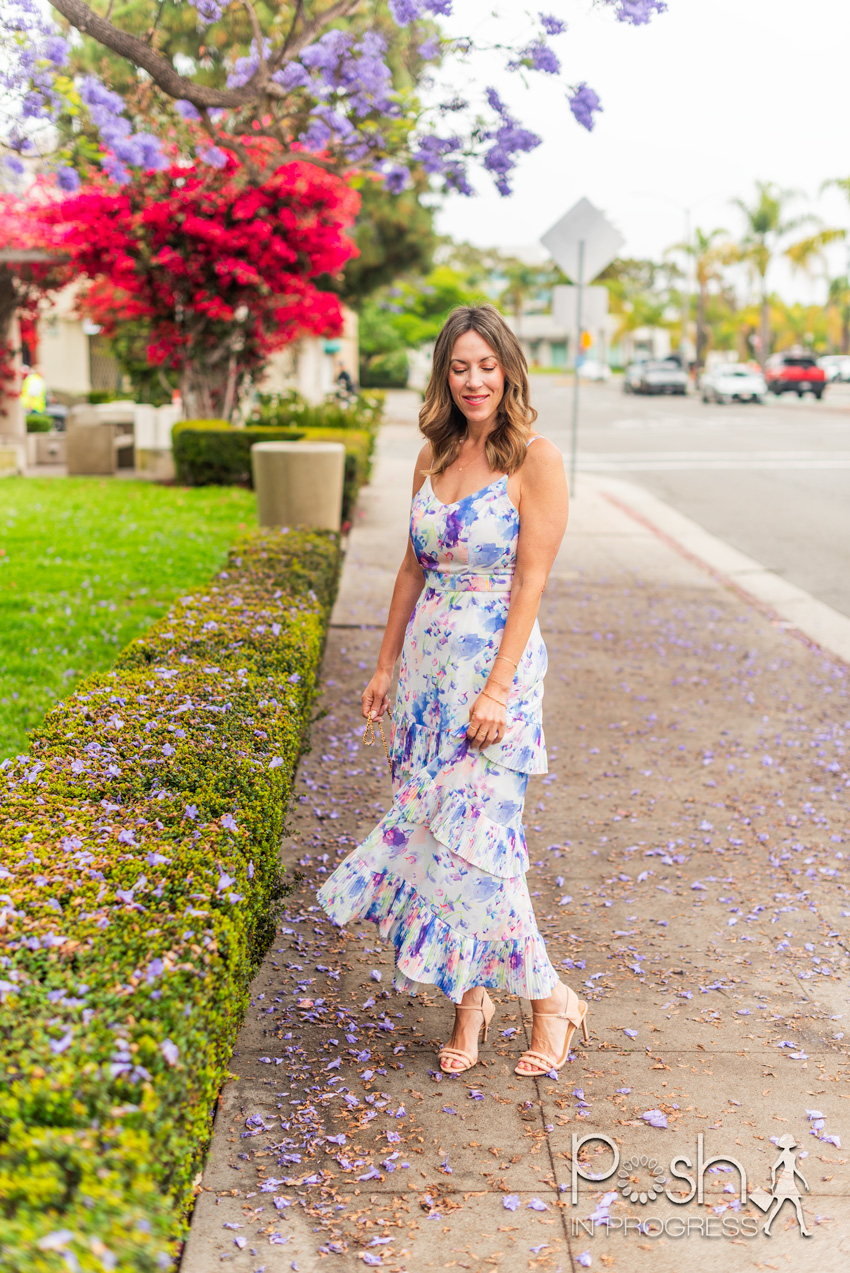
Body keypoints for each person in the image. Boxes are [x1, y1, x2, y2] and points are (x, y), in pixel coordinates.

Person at [318, 303, 588, 1077]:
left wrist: (499, 690)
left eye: (486, 365)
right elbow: (411, 569)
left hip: (495, 678)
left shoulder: (535, 458)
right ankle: (470, 1001)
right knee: (445, 844)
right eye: (459, 366)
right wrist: (382, 663)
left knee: (485, 843)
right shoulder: (432, 456)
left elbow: (532, 579)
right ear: (444, 373)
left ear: (508, 368)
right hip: (428, 680)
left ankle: (550, 1000)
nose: (474, 380)